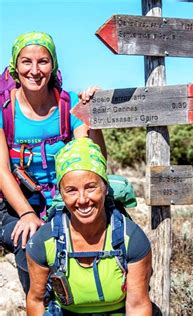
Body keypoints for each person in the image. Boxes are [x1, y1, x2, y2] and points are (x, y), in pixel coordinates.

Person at [0, 31, 105, 294]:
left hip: (63, 200)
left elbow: (91, 159)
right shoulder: (3, 110)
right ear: (15, 66)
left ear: (53, 65)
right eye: (26, 62)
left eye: (43, 62)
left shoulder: (68, 105)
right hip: (16, 205)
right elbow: (2, 170)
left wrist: (93, 115)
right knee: (32, 242)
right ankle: (40, 303)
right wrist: (26, 214)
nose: (34, 70)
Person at [26, 138, 152, 315]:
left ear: (105, 188)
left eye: (91, 187)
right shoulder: (44, 241)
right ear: (60, 194)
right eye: (71, 190)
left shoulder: (130, 238)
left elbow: (138, 305)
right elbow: (36, 300)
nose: (83, 199)